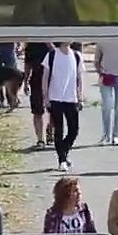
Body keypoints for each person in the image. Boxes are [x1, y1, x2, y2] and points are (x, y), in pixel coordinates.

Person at [42, 41, 84, 171]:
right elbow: (45, 77)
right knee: (58, 130)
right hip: (55, 98)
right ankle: (61, 159)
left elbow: (79, 78)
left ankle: (64, 151)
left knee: (74, 130)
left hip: (71, 98)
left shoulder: (76, 55)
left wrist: (80, 96)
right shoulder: (52, 55)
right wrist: (46, 97)